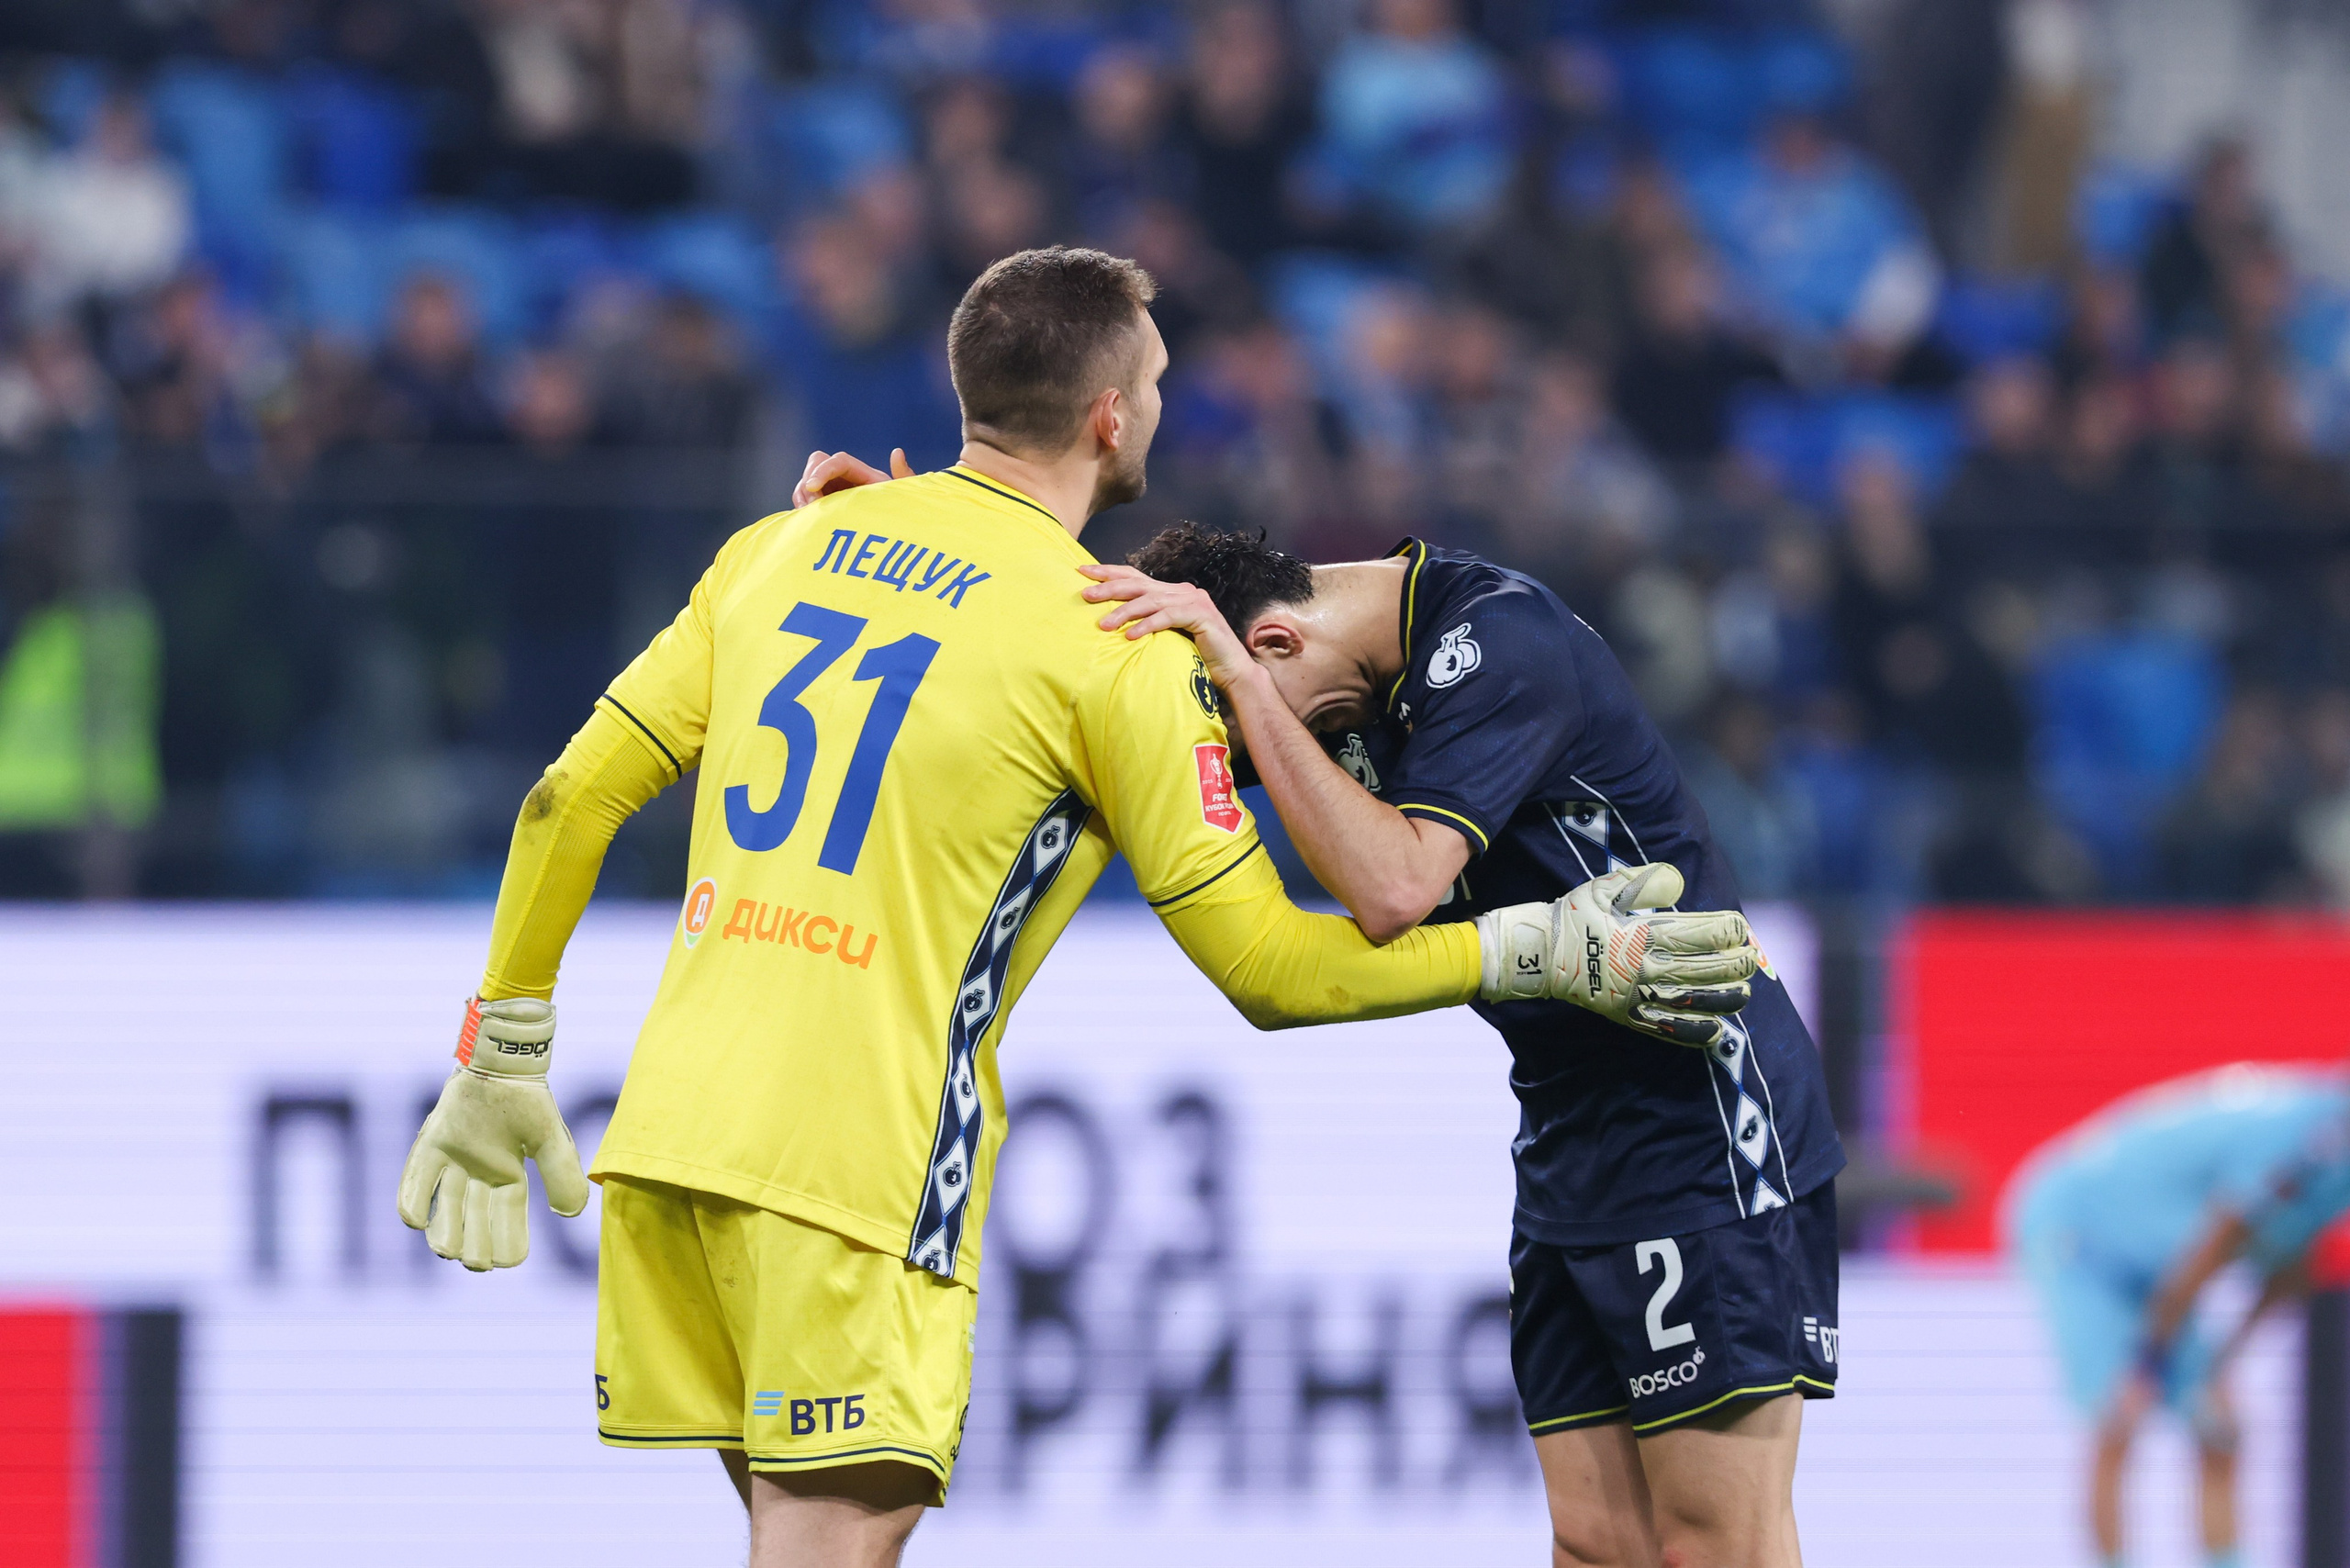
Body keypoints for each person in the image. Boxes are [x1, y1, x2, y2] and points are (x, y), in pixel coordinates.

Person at [395, 247, 1761, 1568]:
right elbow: (1278, 969)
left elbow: (563, 802)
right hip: (854, 1169)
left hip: (675, 1138)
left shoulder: (783, 543)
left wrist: (504, 1042)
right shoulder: (1116, 644)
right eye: (1156, 379)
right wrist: (1531, 950)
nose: (1162, 401)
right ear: (1112, 416)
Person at [1083, 524, 1846, 1568]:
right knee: (1594, 1543)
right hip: (1569, 1126)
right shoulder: (1332, 684)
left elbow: (1397, 890)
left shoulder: (1499, 640)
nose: (1258, 765)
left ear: (1263, 645)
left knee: (1714, 1545)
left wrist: (1247, 698)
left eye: (1249, 726)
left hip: (1696, 1109)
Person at [2008, 1065, 2350, 1568]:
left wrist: (2224, 1366)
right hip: (2081, 1235)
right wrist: (2148, 1362)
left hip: (2163, 1263)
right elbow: (2207, 1254)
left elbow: (2289, 1271)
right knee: (2119, 1416)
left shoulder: (2334, 1164)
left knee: (2219, 1428)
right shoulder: (2301, 1136)